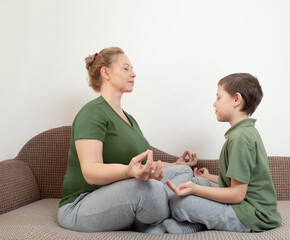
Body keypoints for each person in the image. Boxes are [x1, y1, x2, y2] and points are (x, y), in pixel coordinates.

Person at [58, 47, 197, 233]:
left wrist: (174, 163)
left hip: (122, 195)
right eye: (126, 68)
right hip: (81, 205)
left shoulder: (129, 119)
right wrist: (129, 172)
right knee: (146, 190)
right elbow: (90, 171)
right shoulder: (92, 112)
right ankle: (171, 216)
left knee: (182, 171)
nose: (133, 74)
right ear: (105, 72)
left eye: (132, 68)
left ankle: (152, 222)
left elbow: (143, 165)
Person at [164, 73, 282, 233]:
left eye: (218, 98)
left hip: (252, 214)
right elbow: (238, 182)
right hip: (245, 204)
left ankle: (193, 223)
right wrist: (207, 178)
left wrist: (195, 190)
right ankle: (196, 221)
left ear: (236, 99)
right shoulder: (243, 132)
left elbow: (237, 195)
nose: (214, 103)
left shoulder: (240, 138)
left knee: (180, 203)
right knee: (196, 182)